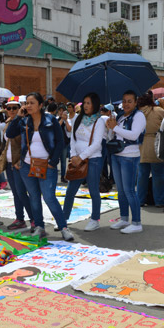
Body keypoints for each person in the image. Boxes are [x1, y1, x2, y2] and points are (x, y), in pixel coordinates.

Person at [6, 92, 75, 241]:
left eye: (32, 103)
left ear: (40, 105)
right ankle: (39, 227)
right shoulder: (24, 121)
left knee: (49, 197)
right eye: (27, 103)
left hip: (46, 166)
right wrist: (18, 116)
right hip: (27, 166)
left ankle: (63, 227)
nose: (28, 106)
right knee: (34, 198)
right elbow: (10, 133)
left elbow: (60, 142)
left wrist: (52, 162)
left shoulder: (50, 120)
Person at [63, 92, 106, 231]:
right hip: (76, 161)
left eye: (89, 103)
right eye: (84, 103)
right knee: (70, 190)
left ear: (95, 105)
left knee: (93, 190)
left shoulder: (99, 121)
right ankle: (64, 219)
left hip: (93, 160)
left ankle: (95, 220)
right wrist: (74, 156)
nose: (86, 106)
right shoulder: (77, 119)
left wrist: (81, 157)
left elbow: (97, 143)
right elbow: (73, 139)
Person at [106, 90, 146, 234]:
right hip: (116, 155)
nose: (126, 104)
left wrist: (115, 127)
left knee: (129, 190)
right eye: (124, 101)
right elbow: (114, 135)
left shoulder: (139, 116)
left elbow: (134, 135)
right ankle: (124, 218)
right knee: (121, 191)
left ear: (135, 102)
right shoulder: (121, 116)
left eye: (129, 101)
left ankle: (136, 222)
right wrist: (110, 127)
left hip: (130, 156)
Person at [0, 97, 33, 230]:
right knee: (16, 193)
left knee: (22, 193)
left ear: (20, 109)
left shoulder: (23, 123)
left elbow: (26, 144)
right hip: (9, 163)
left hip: (19, 163)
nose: (11, 110)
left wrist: (20, 160)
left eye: (14, 108)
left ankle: (34, 219)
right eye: (9, 108)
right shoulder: (7, 123)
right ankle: (20, 218)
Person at [137, 91, 164, 208]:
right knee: (158, 174)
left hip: (141, 145)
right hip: (157, 144)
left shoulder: (137, 113)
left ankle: (140, 200)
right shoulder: (158, 111)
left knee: (142, 175)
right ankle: (159, 201)